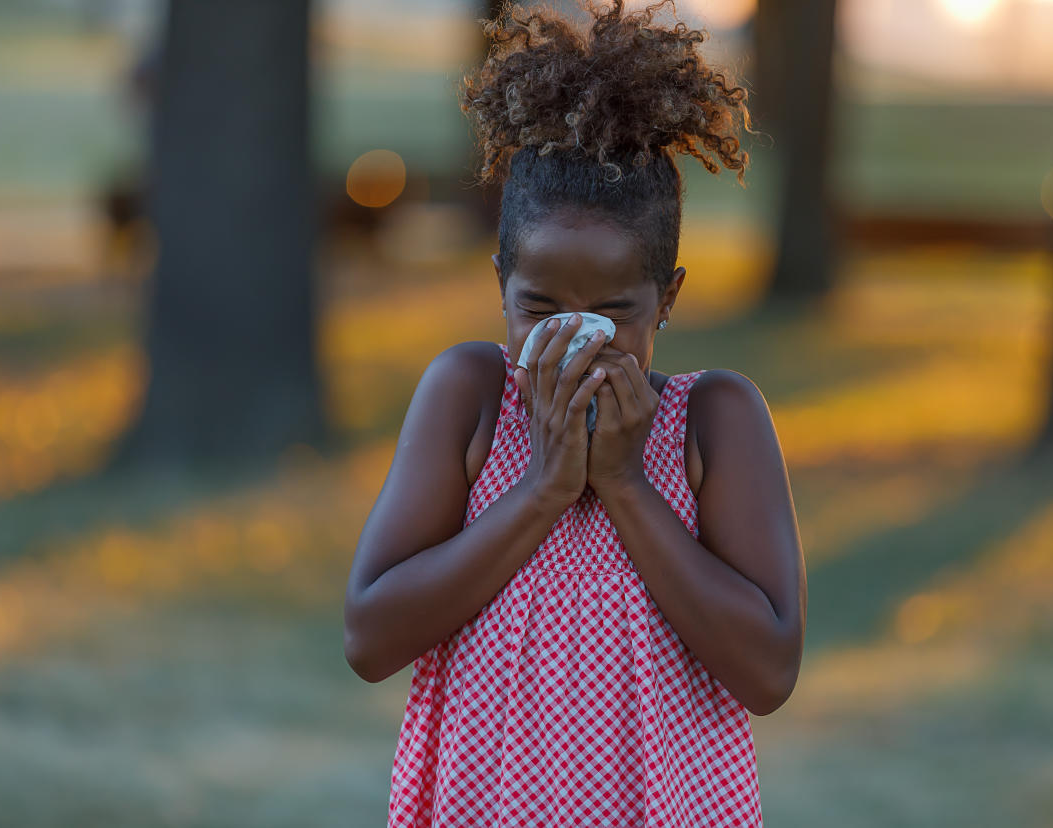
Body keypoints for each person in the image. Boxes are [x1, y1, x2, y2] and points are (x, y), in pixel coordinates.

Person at [343, 1, 807, 824]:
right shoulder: (471, 396)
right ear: (499, 289)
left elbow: (768, 673)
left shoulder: (714, 420)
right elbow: (371, 638)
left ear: (667, 300)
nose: (576, 340)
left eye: (615, 314)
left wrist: (626, 483)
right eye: (539, 305)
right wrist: (544, 491)